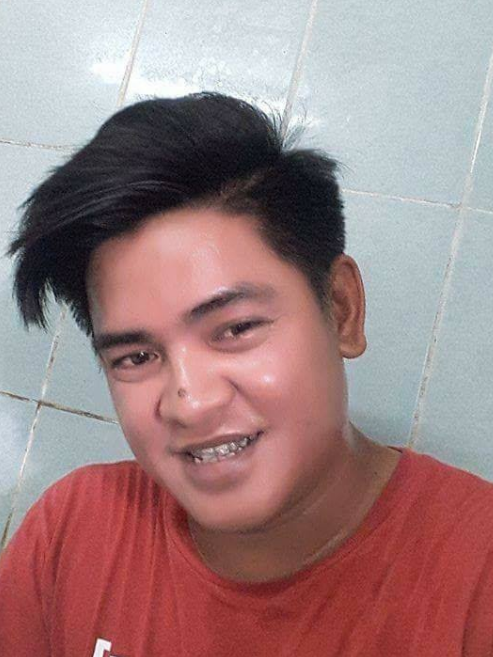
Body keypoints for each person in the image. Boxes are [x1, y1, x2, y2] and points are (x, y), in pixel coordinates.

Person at [1, 92, 492, 657]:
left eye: (235, 328)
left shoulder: (476, 577)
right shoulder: (73, 531)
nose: (190, 403)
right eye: (135, 357)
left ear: (341, 310)